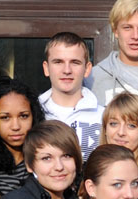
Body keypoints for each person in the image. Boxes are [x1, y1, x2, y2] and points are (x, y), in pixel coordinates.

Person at [39, 32, 103, 162]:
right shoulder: (32, 113)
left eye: (75, 62)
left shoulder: (105, 117)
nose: (67, 70)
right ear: (46, 68)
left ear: (87, 69)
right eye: (58, 62)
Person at [0, 78, 43, 195]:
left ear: (34, 116)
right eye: (5, 117)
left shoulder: (45, 159)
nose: (16, 126)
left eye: (23, 116)